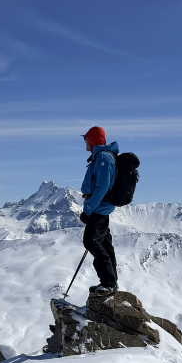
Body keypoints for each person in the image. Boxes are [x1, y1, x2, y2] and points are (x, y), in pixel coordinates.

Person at [78, 126, 119, 294]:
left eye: (86, 139)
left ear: (92, 139)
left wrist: (88, 210)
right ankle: (111, 282)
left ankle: (108, 282)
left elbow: (101, 187)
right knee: (104, 243)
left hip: (99, 208)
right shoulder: (101, 156)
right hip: (101, 207)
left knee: (91, 241)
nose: (85, 142)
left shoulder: (103, 157)